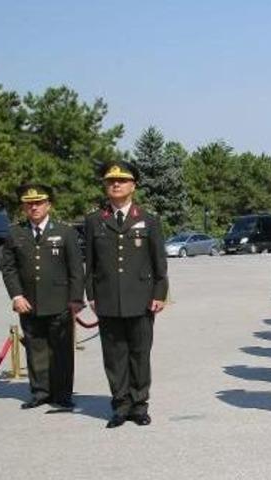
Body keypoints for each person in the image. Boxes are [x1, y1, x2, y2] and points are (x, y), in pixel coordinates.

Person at [84, 161, 168, 428]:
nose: (116, 185)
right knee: (114, 356)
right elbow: (91, 261)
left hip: (141, 298)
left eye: (121, 181)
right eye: (110, 181)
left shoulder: (149, 219)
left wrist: (159, 292)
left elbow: (159, 263)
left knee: (140, 354)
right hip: (108, 299)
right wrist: (91, 294)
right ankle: (120, 405)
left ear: (133, 185)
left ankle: (139, 405)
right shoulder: (94, 220)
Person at [0, 184, 84, 411]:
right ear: (24, 207)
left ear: (49, 205)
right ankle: (40, 393)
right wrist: (16, 296)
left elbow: (76, 268)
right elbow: (8, 268)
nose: (34, 207)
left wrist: (76, 299)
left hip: (60, 301)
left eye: (38, 203)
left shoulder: (65, 232)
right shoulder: (15, 232)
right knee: (35, 349)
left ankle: (62, 394)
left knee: (62, 351)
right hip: (29, 302)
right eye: (29, 204)